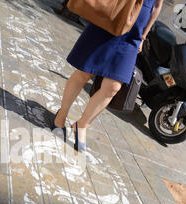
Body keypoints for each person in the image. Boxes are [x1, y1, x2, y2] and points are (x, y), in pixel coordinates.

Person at [52, 0, 164, 152]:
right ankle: (61, 115)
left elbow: (157, 6)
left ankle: (82, 125)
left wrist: (144, 36)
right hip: (112, 17)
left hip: (133, 34)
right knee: (85, 72)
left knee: (113, 87)